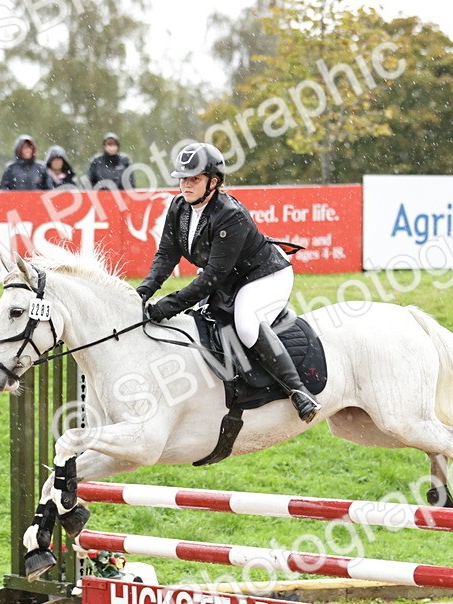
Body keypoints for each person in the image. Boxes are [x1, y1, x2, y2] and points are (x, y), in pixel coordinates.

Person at [136, 142, 321, 423]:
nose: (185, 185)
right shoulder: (178, 208)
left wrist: (165, 307)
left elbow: (211, 278)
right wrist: (143, 292)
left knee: (246, 326)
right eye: (182, 178)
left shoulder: (230, 214)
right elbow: (166, 255)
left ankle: (299, 391)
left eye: (194, 179)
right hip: (228, 277)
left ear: (213, 182)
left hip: (263, 275)